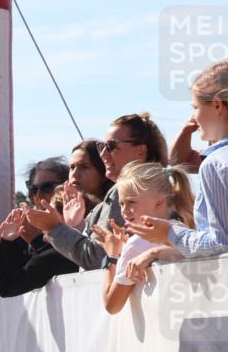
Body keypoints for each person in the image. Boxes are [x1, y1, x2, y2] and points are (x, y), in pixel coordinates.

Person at [27, 113, 168, 270]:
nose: (104, 155)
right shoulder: (159, 184)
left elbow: (97, 258)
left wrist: (54, 228)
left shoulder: (125, 191)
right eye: (102, 147)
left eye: (111, 146)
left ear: (141, 151)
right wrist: (75, 226)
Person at [127, 61, 228, 258]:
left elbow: (220, 244)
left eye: (196, 107)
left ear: (217, 104)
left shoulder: (215, 164)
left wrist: (170, 233)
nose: (193, 116)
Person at [93, 161, 195, 314]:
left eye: (131, 202)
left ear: (159, 202)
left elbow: (112, 305)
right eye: (121, 203)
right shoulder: (184, 230)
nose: (124, 211)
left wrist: (113, 256)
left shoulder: (136, 245)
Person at [0, 157, 80, 296]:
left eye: (46, 187)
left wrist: (36, 240)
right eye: (33, 189)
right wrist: (7, 243)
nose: (38, 195)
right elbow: (12, 276)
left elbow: (8, 286)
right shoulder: (24, 235)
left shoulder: (79, 233)